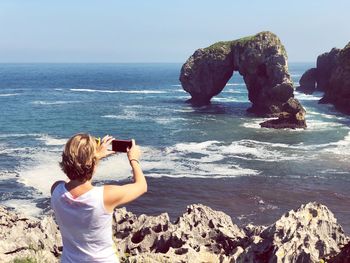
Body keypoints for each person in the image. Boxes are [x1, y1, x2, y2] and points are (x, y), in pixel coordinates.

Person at [50, 133, 147, 263]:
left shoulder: (56, 189)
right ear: (93, 163)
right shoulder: (104, 196)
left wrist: (95, 158)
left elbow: (72, 182)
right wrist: (133, 159)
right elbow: (141, 186)